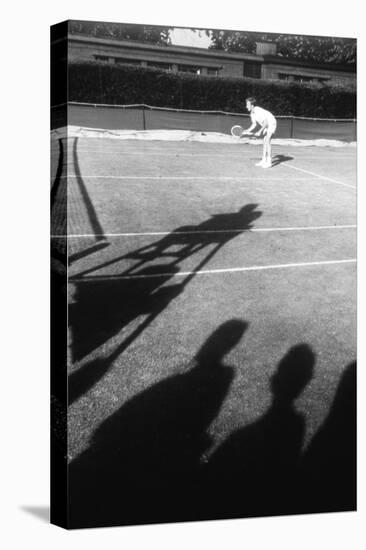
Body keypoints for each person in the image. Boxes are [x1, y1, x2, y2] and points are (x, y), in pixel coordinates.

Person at [241, 97, 277, 168]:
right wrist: (247, 131)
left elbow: (266, 122)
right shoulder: (252, 114)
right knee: (264, 141)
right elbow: (254, 124)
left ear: (252, 105)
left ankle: (269, 162)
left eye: (247, 105)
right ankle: (264, 160)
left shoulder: (258, 110)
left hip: (271, 122)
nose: (246, 106)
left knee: (267, 140)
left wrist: (259, 131)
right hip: (266, 125)